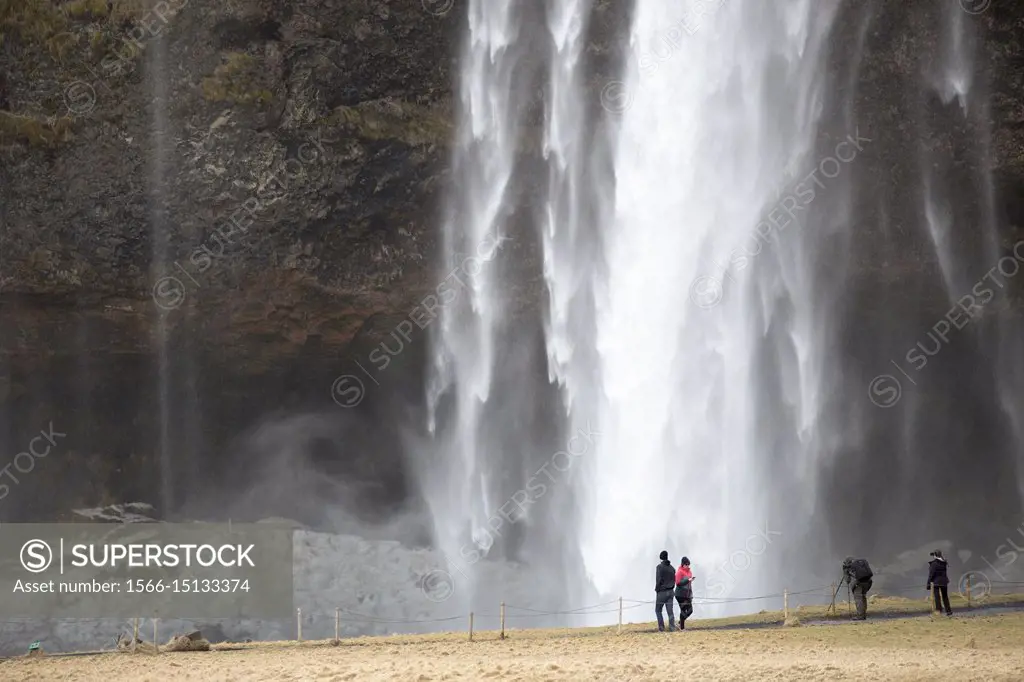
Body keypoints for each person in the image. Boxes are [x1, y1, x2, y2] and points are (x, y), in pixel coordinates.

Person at [842, 556, 873, 620]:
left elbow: (847, 580)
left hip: (858, 584)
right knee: (863, 597)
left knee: (858, 599)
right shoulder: (861, 564)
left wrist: (845, 572)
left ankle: (860, 616)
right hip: (867, 582)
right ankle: (863, 614)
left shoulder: (849, 567)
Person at [926, 549, 953, 616]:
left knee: (937, 597)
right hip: (944, 582)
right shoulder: (944, 562)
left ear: (935, 555)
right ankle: (948, 611)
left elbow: (931, 574)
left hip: (936, 582)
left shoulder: (934, 564)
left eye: (934, 555)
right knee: (945, 597)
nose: (933, 556)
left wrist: (928, 583)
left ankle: (939, 610)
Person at [654, 550, 676, 631]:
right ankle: (672, 628)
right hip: (671, 592)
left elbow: (658, 580)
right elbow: (674, 580)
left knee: (658, 610)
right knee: (670, 611)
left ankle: (661, 628)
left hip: (662, 592)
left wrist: (657, 590)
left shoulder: (659, 567)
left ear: (660, 558)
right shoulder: (672, 569)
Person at [674, 556, 695, 629]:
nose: (687, 566)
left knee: (690, 610)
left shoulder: (690, 572)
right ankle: (682, 627)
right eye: (686, 564)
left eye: (688, 564)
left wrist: (691, 594)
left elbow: (689, 584)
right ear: (682, 564)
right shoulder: (679, 572)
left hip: (687, 595)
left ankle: (680, 623)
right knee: (683, 610)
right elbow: (678, 583)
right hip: (680, 595)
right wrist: (688, 580)